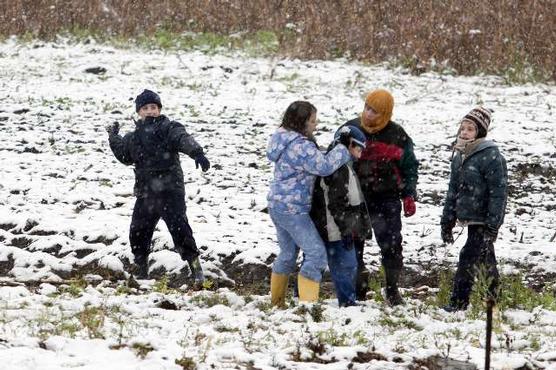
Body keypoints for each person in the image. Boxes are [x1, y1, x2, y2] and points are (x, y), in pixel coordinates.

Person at [105, 89, 210, 286]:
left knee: (180, 230)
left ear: (159, 109)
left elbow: (182, 138)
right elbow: (124, 156)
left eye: (154, 107)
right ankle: (141, 269)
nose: (150, 111)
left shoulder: (168, 128)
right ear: (139, 112)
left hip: (170, 190)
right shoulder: (134, 137)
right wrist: (113, 136)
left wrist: (197, 153)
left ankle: (196, 269)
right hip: (146, 192)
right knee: (138, 231)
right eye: (145, 108)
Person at [267, 101, 354, 306]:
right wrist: (342, 150)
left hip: (277, 204)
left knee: (288, 255)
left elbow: (311, 158)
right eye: (313, 121)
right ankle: (307, 306)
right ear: (302, 122)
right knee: (316, 254)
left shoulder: (282, 137)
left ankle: (276, 302)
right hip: (293, 209)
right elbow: (323, 166)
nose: (316, 124)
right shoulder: (300, 145)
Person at [343, 89, 419, 305]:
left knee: (392, 245)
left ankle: (392, 290)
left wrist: (408, 194)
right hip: (356, 197)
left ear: (385, 114)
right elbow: (334, 161)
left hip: (387, 198)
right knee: (353, 243)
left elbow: (410, 166)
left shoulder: (397, 135)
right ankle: (358, 286)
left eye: (375, 111)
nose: (368, 114)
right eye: (367, 108)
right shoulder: (350, 129)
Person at [440, 107, 507, 312]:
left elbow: (499, 192)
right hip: (469, 215)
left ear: (480, 132)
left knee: (469, 256)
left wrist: (493, 224)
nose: (464, 132)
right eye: (462, 127)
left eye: (470, 129)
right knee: (486, 258)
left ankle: (460, 303)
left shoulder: (491, 155)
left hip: (482, 217)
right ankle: (492, 300)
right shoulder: (459, 154)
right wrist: (447, 220)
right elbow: (453, 189)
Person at [310, 125, 372, 307]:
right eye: (358, 149)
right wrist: (345, 229)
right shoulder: (338, 169)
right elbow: (337, 203)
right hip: (334, 228)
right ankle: (346, 301)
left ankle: (342, 299)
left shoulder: (341, 165)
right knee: (345, 264)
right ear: (347, 143)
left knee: (336, 263)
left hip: (335, 225)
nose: (359, 155)